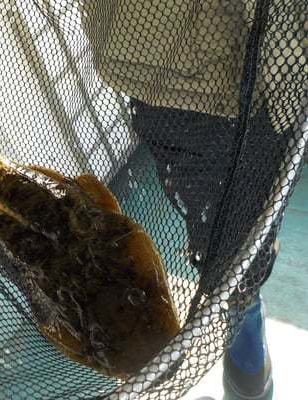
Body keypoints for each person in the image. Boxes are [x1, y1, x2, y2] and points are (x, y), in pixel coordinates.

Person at [80, 0, 305, 398]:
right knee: (235, 250)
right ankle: (246, 337)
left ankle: (244, 326)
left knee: (237, 246)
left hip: (185, 68)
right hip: (189, 76)